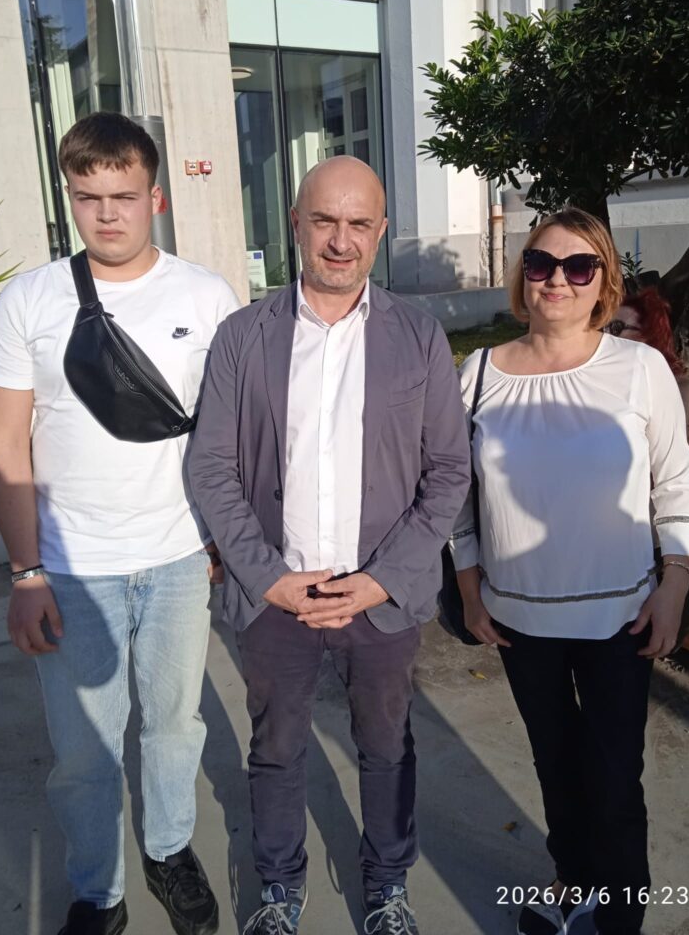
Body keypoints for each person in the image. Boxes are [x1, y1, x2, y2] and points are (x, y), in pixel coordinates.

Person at [188, 155, 471, 935]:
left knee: (387, 746)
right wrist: (266, 577)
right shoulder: (243, 337)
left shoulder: (418, 336)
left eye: (357, 224)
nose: (340, 241)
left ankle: (387, 885)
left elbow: (449, 472)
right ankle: (279, 888)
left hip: (380, 596)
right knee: (277, 748)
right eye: (324, 221)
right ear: (296, 225)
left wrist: (385, 579)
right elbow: (211, 467)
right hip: (276, 596)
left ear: (380, 231)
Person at [0, 112, 239, 935]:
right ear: (70, 197)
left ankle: (167, 850)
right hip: (70, 568)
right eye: (88, 197)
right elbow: (4, 443)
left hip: (177, 559)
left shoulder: (206, 296)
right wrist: (26, 574)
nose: (107, 214)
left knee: (174, 728)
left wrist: (219, 538)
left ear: (155, 196)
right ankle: (98, 891)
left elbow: (226, 433)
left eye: (123, 196)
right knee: (83, 754)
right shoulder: (30, 300)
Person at [451, 208, 689, 935]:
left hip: (620, 618)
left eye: (578, 266)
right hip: (517, 619)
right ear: (522, 276)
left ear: (603, 281)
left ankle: (620, 918)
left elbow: (675, 482)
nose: (557, 279)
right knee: (554, 766)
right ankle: (573, 883)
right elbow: (456, 496)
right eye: (541, 263)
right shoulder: (479, 373)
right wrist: (469, 591)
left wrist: (675, 583)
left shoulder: (639, 368)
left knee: (616, 783)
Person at [606, 286, 689, 445]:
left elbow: (671, 451)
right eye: (605, 328)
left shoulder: (677, 386)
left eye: (616, 327)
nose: (606, 335)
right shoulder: (600, 376)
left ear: (647, 334)